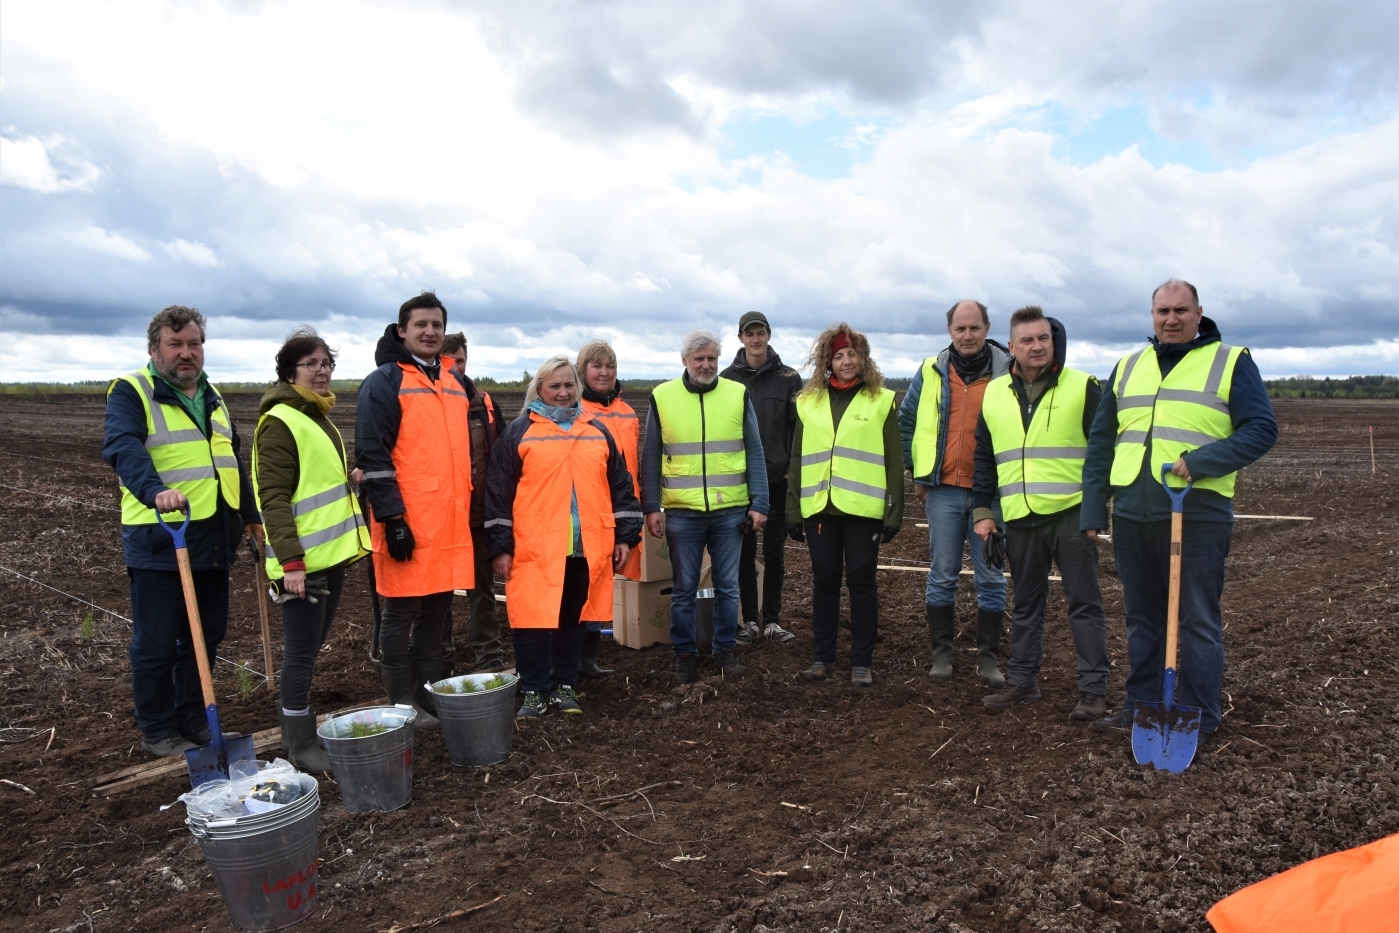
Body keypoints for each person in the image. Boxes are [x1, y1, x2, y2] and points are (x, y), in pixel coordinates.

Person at [1083, 280, 1277, 736]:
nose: (1171, 319)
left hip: (1199, 511)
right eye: (1162, 311)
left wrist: (1203, 461)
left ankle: (1201, 716)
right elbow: (1101, 442)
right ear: (1152, 315)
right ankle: (1141, 705)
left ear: (1198, 313)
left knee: (1197, 618)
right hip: (1133, 511)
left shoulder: (1231, 361)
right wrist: (1094, 508)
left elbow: (1261, 428)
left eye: (1180, 311)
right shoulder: (1129, 366)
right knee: (1142, 617)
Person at [103, 305, 262, 757]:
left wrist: (248, 514)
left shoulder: (212, 396)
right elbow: (122, 446)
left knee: (206, 634)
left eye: (194, 344)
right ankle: (157, 729)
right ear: (155, 349)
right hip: (161, 536)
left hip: (213, 535)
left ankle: (194, 717)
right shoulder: (132, 392)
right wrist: (155, 491)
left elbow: (230, 461)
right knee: (156, 642)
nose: (186, 353)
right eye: (176, 345)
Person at [971, 308, 1110, 720]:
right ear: (1011, 347)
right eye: (1027, 340)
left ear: (1054, 341)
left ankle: (1093, 689)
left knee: (1084, 604)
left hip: (1071, 514)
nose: (1036, 347)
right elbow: (984, 456)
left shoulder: (1083, 386)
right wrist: (983, 510)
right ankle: (1023, 680)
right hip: (1020, 515)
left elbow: (1103, 453)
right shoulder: (994, 393)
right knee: (1027, 602)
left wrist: (1095, 511)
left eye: (1043, 339)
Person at [485, 356, 642, 717]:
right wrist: (500, 546)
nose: (562, 392)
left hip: (586, 547)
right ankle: (536, 690)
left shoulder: (596, 431)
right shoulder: (519, 433)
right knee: (532, 618)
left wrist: (624, 537)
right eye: (554, 385)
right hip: (535, 548)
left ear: (578, 388)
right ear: (539, 389)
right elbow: (498, 492)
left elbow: (621, 487)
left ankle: (565, 686)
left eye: (568, 385)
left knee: (574, 616)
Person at [252, 327, 372, 770]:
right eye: (312, 364)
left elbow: (314, 487)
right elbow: (275, 499)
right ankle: (299, 744)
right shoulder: (281, 420)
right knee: (301, 653)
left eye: (327, 364)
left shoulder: (315, 416)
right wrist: (291, 564)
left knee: (311, 646)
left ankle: (294, 733)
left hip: (327, 556)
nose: (322, 372)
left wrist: (350, 484)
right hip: (302, 563)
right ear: (290, 371)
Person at [356, 292, 476, 729]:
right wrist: (392, 519)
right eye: (421, 324)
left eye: (436, 326)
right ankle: (401, 699)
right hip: (408, 520)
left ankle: (429, 690)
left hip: (448, 521)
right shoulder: (385, 381)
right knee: (402, 611)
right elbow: (373, 453)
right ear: (402, 330)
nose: (429, 332)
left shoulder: (455, 382)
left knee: (437, 609)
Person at [640, 330, 770, 683]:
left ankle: (724, 650)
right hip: (682, 512)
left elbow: (754, 451)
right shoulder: (663, 397)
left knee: (728, 586)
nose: (706, 364)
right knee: (684, 588)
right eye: (699, 359)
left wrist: (760, 502)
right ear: (684, 361)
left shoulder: (736, 394)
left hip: (730, 511)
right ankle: (684, 654)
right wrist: (651, 506)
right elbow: (651, 454)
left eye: (712, 358)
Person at [898, 300, 1011, 684]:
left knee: (992, 577)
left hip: (992, 495)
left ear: (986, 328)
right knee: (942, 574)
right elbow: (907, 422)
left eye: (974, 328)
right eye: (960, 329)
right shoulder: (931, 370)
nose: (967, 335)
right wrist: (916, 471)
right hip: (943, 490)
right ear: (950, 330)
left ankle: (988, 660)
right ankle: (942, 656)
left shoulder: (1007, 370)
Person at [787, 324, 903, 687]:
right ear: (827, 360)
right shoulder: (808, 403)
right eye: (838, 355)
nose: (846, 361)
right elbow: (797, 459)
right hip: (820, 509)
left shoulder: (881, 400)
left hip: (863, 511)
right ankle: (822, 659)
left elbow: (893, 460)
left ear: (863, 358)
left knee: (862, 583)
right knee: (824, 583)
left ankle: (861, 663)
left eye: (852, 354)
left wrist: (893, 511)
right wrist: (793, 508)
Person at [721, 311, 802, 644]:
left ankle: (772, 621)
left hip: (777, 480)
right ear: (741, 338)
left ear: (769, 335)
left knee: (774, 553)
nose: (755, 339)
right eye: (749, 334)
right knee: (743, 554)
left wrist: (788, 470)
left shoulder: (789, 378)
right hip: (739, 483)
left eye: (761, 333)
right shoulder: (726, 379)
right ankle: (750, 621)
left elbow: (798, 428)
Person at [437, 330, 506, 675]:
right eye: (448, 363)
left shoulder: (486, 404)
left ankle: (489, 657)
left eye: (460, 361)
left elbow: (503, 457)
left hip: (479, 514)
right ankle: (441, 658)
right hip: (442, 516)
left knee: (482, 589)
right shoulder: (429, 403)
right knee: (439, 592)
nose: (455, 369)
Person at [576, 339, 640, 678]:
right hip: (591, 511)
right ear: (583, 370)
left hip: (623, 510)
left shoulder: (628, 412)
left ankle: (588, 659)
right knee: (583, 585)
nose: (604, 372)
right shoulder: (576, 411)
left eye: (610, 366)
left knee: (603, 583)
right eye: (597, 366)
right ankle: (573, 657)